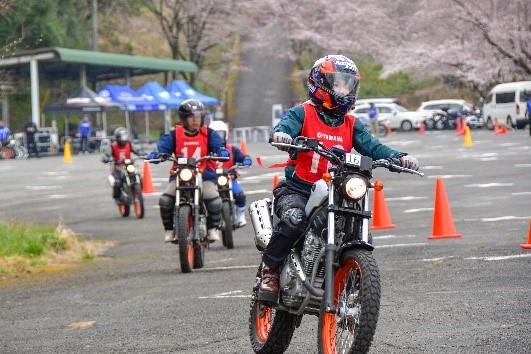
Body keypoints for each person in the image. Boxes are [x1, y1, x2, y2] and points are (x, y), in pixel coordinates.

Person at [257, 55, 419, 304]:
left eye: (349, 84)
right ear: (320, 83)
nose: (345, 90)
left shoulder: (352, 123)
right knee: (294, 219)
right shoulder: (303, 112)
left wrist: (398, 157)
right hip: (298, 190)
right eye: (339, 83)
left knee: (358, 230)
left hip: (336, 189)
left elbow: (373, 147)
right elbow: (284, 127)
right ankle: (270, 271)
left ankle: (352, 286)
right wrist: (282, 135)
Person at [147, 99, 227, 243]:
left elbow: (218, 145)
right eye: (191, 116)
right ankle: (169, 230)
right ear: (184, 118)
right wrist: (157, 154)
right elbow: (163, 147)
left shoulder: (208, 133)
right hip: (180, 173)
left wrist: (221, 150)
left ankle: (212, 228)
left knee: (213, 199)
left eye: (198, 116)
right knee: (165, 200)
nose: (195, 119)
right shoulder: (174, 134)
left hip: (204, 173)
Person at [209, 120, 253, 227]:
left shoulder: (232, 149)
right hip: (212, 180)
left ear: (225, 134)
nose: (218, 137)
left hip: (229, 179)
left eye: (220, 134)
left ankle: (240, 215)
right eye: (215, 134)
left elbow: (242, 157)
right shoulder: (207, 149)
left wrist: (246, 159)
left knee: (240, 194)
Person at [102, 127, 141, 201]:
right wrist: (106, 158)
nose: (124, 139)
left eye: (125, 136)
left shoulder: (128, 144)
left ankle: (139, 194)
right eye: (122, 137)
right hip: (117, 167)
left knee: (137, 175)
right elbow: (106, 155)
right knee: (117, 182)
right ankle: (118, 197)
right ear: (117, 137)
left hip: (129, 165)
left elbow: (137, 151)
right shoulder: (112, 146)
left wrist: (142, 154)